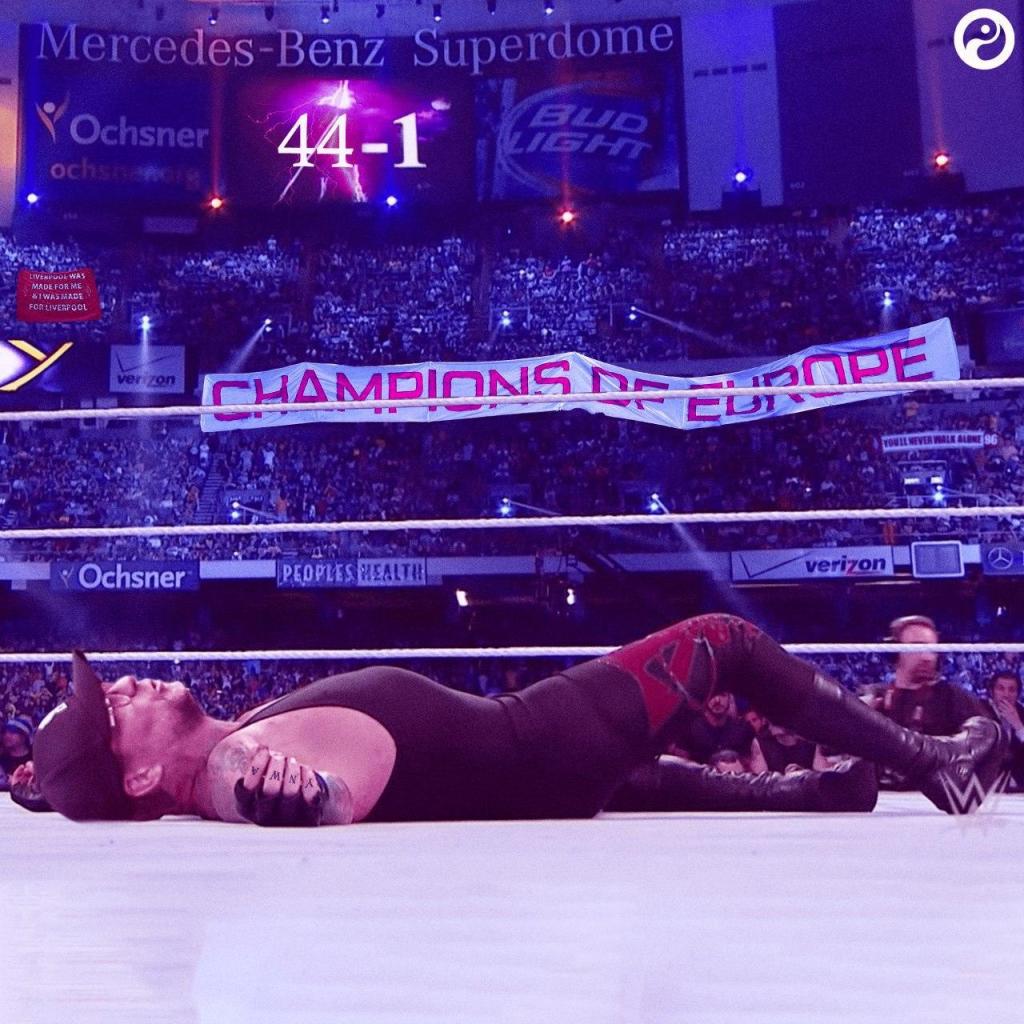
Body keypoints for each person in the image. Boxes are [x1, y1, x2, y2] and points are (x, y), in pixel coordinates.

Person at [16, 614, 1008, 826]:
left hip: (522, 757)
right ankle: (935, 763)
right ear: (138, 776)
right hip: (532, 739)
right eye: (114, 712)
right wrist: (293, 799)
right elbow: (305, 795)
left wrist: (43, 792)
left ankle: (812, 793)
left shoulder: (224, 742)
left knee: (637, 777)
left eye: (112, 685)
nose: (127, 685)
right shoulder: (239, 758)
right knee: (726, 642)